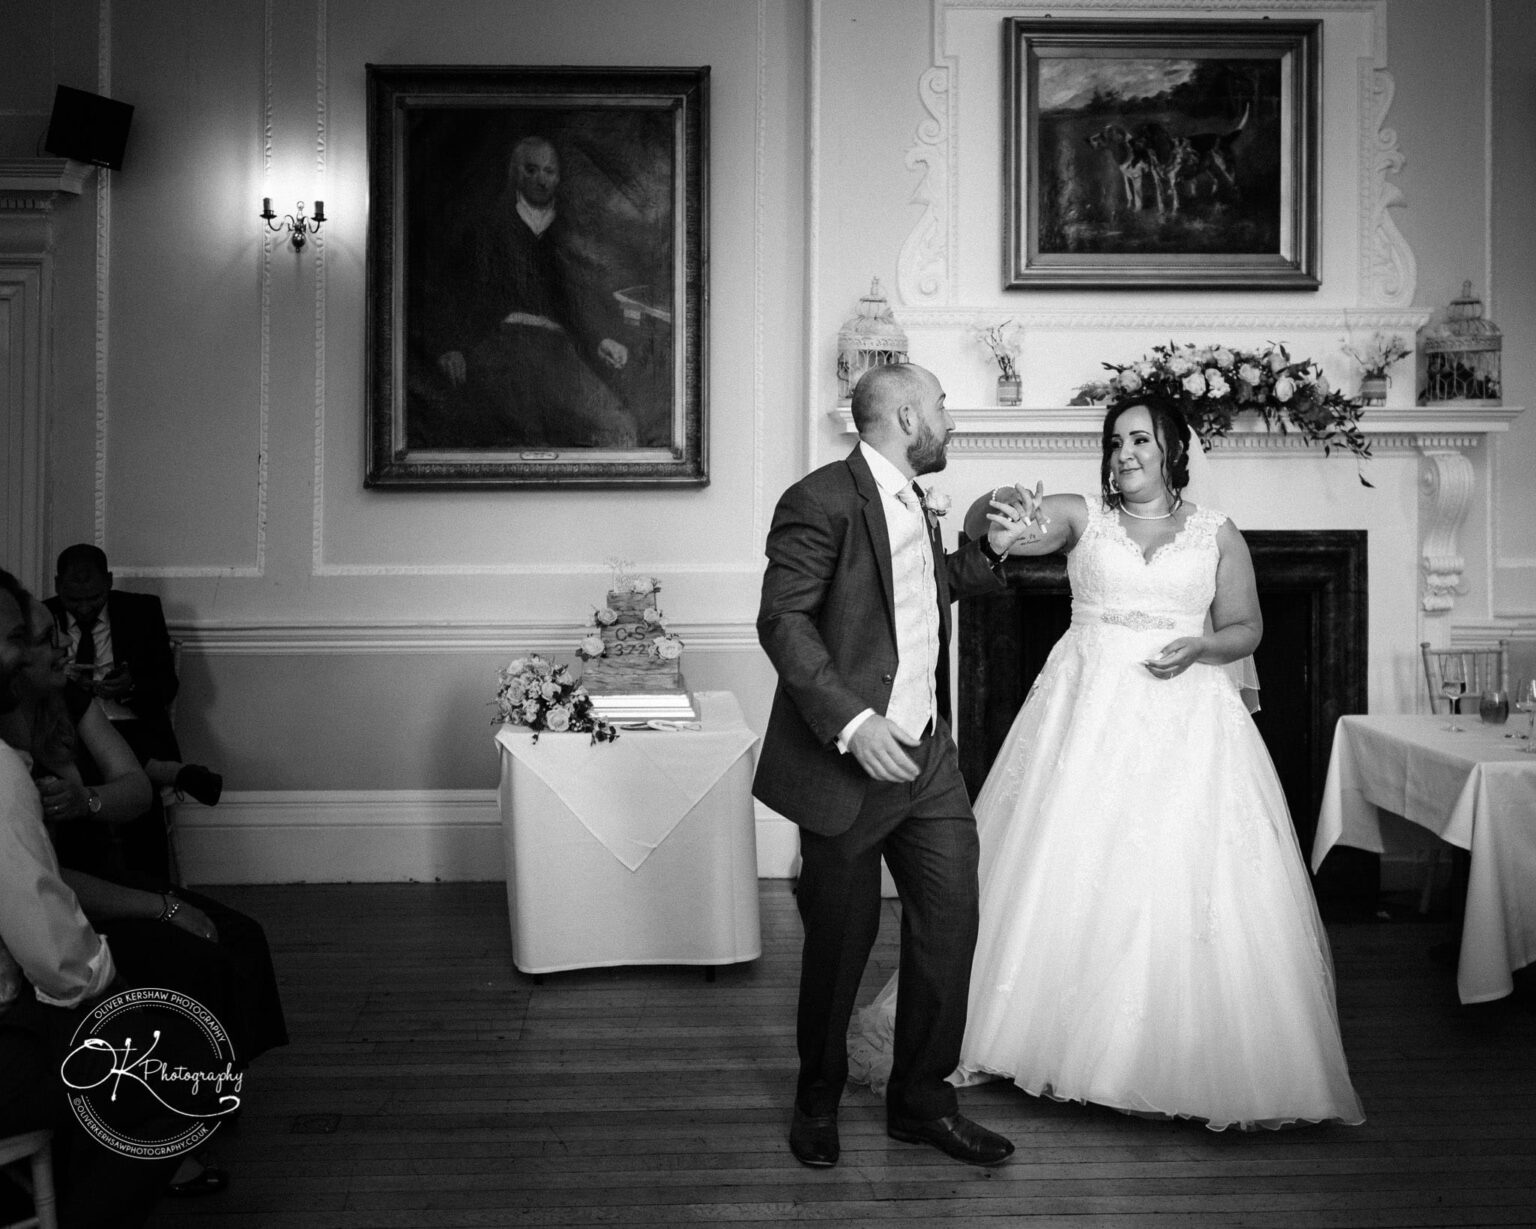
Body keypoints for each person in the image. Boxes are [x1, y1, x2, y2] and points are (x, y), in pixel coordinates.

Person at [847, 396, 1365, 1131]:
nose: (1125, 453)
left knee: (1181, 876)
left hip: (1190, 724)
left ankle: (1164, 1056)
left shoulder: (1218, 535)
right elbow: (977, 532)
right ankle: (1028, 1037)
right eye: (1115, 440)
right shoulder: (1079, 517)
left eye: (1140, 440)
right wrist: (1001, 506)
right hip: (1082, 719)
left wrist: (1201, 647)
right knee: (1065, 864)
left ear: (1172, 449)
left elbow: (1247, 626)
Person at [755, 362, 1040, 1169]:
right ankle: (817, 1096)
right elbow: (783, 621)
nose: (953, 421)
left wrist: (986, 550)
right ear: (908, 414)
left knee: (950, 921)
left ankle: (921, 1099)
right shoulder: (819, 498)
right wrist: (850, 720)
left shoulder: (917, 497)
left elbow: (918, 593)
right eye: (944, 407)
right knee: (841, 944)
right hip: (850, 764)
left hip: (930, 757)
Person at [0, 568, 180, 1227]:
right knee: (158, 1078)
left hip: (67, 914)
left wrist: (88, 799)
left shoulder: (57, 712)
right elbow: (56, 953)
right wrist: (113, 983)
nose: (34, 651)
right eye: (18, 637)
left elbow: (131, 786)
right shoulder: (0, 773)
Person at [415, 135, 641, 450]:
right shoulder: (487, 228)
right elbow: (453, 292)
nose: (541, 179)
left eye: (549, 171)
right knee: (508, 432)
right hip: (497, 344)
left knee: (618, 430)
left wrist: (603, 338)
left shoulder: (571, 231)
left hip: (558, 350)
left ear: (559, 177)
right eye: (531, 170)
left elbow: (584, 298)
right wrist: (450, 346)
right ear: (515, 173)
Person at [47, 545, 222, 878]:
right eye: (73, 600)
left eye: (95, 598)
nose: (84, 608)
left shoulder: (141, 611)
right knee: (92, 762)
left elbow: (166, 686)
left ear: (110, 581)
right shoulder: (41, 618)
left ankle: (149, 889)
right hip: (71, 730)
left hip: (132, 725)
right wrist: (64, 685)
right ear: (57, 586)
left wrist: (130, 685)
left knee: (115, 771)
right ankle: (166, 771)